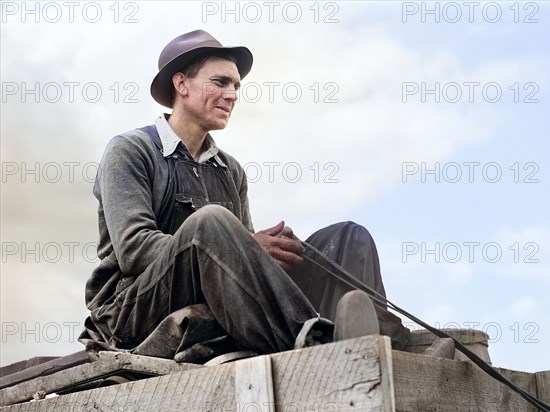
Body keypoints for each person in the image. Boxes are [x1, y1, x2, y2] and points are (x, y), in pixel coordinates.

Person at [80, 30, 410, 363]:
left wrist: (271, 252)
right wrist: (239, 245)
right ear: (182, 84)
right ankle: (311, 343)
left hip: (218, 297)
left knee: (346, 237)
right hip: (130, 311)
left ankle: (373, 339)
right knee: (210, 222)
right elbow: (134, 250)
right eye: (220, 82)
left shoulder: (230, 170)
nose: (232, 94)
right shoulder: (131, 150)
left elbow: (241, 264)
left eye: (236, 86)